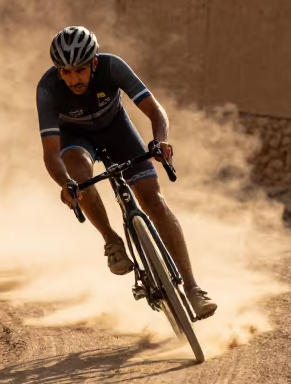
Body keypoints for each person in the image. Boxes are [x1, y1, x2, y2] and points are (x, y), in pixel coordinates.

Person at [36, 26, 217, 319]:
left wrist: (161, 140)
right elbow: (50, 151)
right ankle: (110, 239)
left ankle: (194, 289)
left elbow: (155, 111)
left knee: (155, 202)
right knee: (79, 173)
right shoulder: (47, 88)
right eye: (65, 73)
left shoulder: (112, 67)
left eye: (79, 70)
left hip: (117, 132)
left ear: (93, 63)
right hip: (76, 140)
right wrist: (65, 184)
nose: (73, 79)